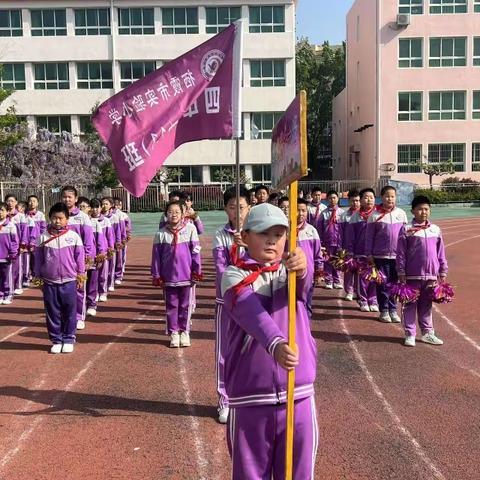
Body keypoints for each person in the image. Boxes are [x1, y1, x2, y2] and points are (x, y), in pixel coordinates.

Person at [221, 203, 318, 479]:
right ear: (246, 236)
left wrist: (302, 266)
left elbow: (304, 283)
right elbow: (251, 314)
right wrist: (275, 343)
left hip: (297, 394)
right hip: (251, 397)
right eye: (264, 233)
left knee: (298, 474)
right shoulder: (233, 275)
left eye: (279, 234)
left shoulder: (289, 269)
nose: (272, 240)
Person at [212, 186, 250, 424]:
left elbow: (263, 261)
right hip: (226, 300)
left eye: (242, 207)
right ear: (226, 209)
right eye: (232, 207)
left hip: (254, 300)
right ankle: (224, 400)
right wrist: (233, 289)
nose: (237, 212)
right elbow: (220, 267)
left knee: (253, 351)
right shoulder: (221, 235)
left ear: (250, 207)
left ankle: (248, 398)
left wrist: (246, 244)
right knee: (224, 352)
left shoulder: (256, 232)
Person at [32, 203, 85, 354]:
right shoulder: (42, 237)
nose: (57, 221)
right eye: (54, 218)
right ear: (50, 218)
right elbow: (38, 259)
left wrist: (80, 275)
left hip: (69, 280)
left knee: (69, 310)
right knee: (52, 311)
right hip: (49, 282)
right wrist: (37, 277)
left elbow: (80, 258)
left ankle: (68, 338)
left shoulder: (73, 237)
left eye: (61, 218)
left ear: (67, 219)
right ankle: (56, 339)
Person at [396, 196, 447, 347]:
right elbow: (400, 253)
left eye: (426, 209)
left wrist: (443, 270)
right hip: (412, 274)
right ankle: (410, 334)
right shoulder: (406, 230)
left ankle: (427, 333)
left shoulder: (435, 230)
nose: (423, 212)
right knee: (410, 304)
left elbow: (440, 252)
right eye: (420, 209)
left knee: (426, 305)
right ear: (413, 211)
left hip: (431, 276)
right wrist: (401, 271)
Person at [151, 201, 201, 348]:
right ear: (165, 214)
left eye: (177, 212)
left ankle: (185, 331)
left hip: (187, 275)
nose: (173, 215)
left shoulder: (190, 229)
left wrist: (196, 271)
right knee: (171, 305)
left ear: (183, 214)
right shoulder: (161, 234)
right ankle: (174, 332)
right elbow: (156, 257)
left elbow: (196, 251)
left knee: (186, 305)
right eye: (170, 212)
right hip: (168, 277)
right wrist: (156, 274)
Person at [365, 185, 408, 323]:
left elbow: (405, 236)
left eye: (393, 196)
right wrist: (369, 254)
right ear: (382, 197)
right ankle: (383, 310)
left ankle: (393, 309)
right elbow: (369, 237)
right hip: (380, 256)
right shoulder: (374, 215)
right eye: (387, 196)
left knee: (395, 284)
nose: (390, 199)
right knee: (382, 284)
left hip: (397, 257)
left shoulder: (401, 214)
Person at [61, 186, 95, 330]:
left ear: (75, 199)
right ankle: (67, 316)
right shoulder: (59, 215)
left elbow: (88, 240)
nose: (67, 199)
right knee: (63, 289)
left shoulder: (83, 217)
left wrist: (87, 258)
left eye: (70, 197)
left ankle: (79, 316)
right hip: (62, 259)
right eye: (64, 197)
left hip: (78, 259)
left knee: (79, 288)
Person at [345, 188, 379, 312]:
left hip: (376, 253)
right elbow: (350, 236)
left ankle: (373, 300)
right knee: (362, 279)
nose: (368, 200)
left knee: (374, 278)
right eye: (365, 197)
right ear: (361, 200)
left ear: (375, 199)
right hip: (360, 252)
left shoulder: (378, 215)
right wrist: (350, 252)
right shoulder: (355, 217)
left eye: (371, 197)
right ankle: (363, 300)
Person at [297, 198, 323, 315]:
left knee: (307, 305)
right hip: (287, 277)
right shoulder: (285, 231)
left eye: (303, 210)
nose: (301, 213)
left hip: (308, 276)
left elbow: (318, 254)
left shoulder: (311, 230)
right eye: (297, 210)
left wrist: (318, 273)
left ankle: (306, 331)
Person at [318, 190, 345, 289]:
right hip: (327, 241)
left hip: (339, 241)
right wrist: (320, 242)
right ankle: (328, 280)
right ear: (327, 199)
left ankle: (337, 280)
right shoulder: (323, 213)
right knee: (327, 261)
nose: (332, 200)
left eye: (334, 198)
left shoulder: (342, 213)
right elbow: (319, 228)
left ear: (338, 199)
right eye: (330, 198)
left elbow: (345, 229)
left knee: (338, 261)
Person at [86, 199, 108, 317]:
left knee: (93, 280)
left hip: (93, 258)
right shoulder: (72, 222)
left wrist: (101, 254)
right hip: (79, 260)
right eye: (81, 207)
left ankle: (92, 303)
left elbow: (101, 241)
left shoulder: (96, 223)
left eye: (85, 206)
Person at [91, 199, 114, 303]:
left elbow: (109, 236)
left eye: (97, 207)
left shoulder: (105, 221)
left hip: (103, 252)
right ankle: (94, 293)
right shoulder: (88, 221)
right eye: (92, 207)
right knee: (93, 275)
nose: (95, 209)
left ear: (100, 208)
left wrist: (110, 248)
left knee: (103, 273)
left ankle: (103, 292)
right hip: (91, 253)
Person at [5, 194, 28, 295]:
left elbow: (24, 231)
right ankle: (7, 286)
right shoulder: (3, 215)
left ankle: (17, 285)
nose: (10, 203)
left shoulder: (20, 216)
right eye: (8, 201)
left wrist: (23, 244)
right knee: (6, 267)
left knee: (17, 266)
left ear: (16, 203)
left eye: (12, 201)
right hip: (5, 245)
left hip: (17, 245)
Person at [340, 189, 360, 301]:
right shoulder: (344, 216)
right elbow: (340, 232)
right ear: (348, 201)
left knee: (360, 271)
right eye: (353, 201)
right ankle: (349, 291)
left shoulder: (364, 215)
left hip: (360, 247)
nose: (355, 203)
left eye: (357, 200)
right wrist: (342, 248)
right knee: (348, 270)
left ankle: (358, 291)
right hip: (347, 248)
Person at [101, 196, 122, 292]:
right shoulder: (99, 217)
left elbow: (118, 231)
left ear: (111, 205)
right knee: (103, 267)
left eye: (106, 204)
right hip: (101, 246)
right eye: (103, 204)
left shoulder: (114, 217)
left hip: (111, 245)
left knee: (112, 265)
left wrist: (117, 243)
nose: (104, 206)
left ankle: (111, 283)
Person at [0, 202, 19, 305]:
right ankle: (1, 294)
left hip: (6, 257)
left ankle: (9, 294)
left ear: (7, 212)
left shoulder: (11, 225)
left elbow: (14, 241)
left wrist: (12, 253)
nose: (0, 212)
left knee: (7, 277)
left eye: (2, 210)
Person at [113, 197, 131, 284]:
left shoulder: (124, 215)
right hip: (113, 240)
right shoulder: (110, 215)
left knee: (121, 255)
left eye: (118, 205)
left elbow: (128, 227)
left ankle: (120, 271)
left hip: (121, 240)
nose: (117, 207)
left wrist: (125, 236)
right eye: (115, 205)